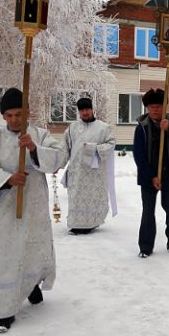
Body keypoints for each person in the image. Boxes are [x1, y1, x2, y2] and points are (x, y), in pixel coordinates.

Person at [0, 88, 65, 333]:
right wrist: (8, 179)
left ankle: (31, 284)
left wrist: (34, 149)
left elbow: (59, 158)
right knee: (6, 256)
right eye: (10, 115)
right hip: (5, 210)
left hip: (33, 206)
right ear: (4, 116)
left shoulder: (40, 134)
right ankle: (4, 310)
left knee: (32, 249)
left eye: (19, 114)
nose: (15, 120)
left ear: (27, 113)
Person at [133, 88, 169, 258]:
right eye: (152, 107)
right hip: (149, 176)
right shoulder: (141, 127)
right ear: (147, 108)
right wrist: (151, 176)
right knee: (148, 211)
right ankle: (145, 247)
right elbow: (138, 154)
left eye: (158, 106)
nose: (155, 110)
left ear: (164, 107)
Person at [59, 97, 117, 234]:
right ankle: (76, 223)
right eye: (82, 110)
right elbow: (65, 148)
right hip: (77, 171)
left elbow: (111, 144)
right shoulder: (72, 128)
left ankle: (91, 223)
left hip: (94, 172)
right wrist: (58, 163)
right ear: (78, 112)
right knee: (76, 198)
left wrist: (95, 148)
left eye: (87, 109)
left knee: (93, 198)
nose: (85, 113)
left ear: (92, 109)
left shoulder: (103, 128)